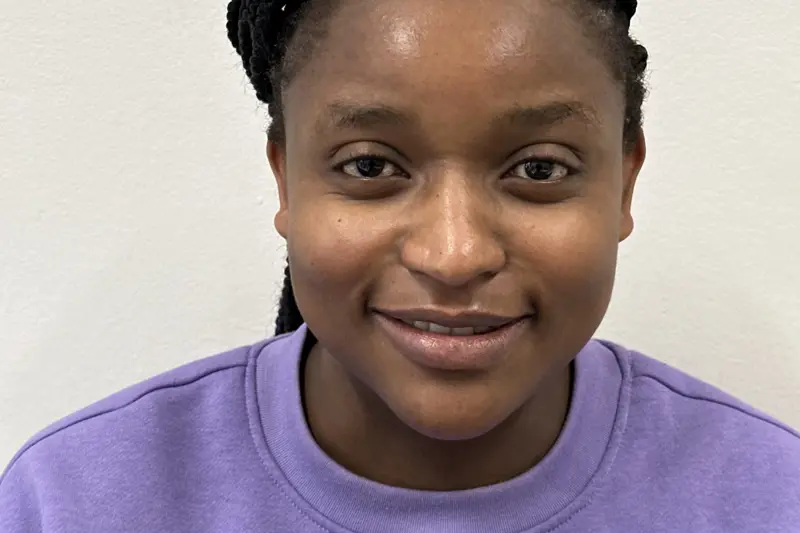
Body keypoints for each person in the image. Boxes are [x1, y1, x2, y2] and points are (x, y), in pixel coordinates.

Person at [2, 0, 799, 531]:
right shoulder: (73, 501)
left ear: (624, 182)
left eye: (540, 168)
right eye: (369, 165)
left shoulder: (769, 497)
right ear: (286, 180)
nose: (454, 254)